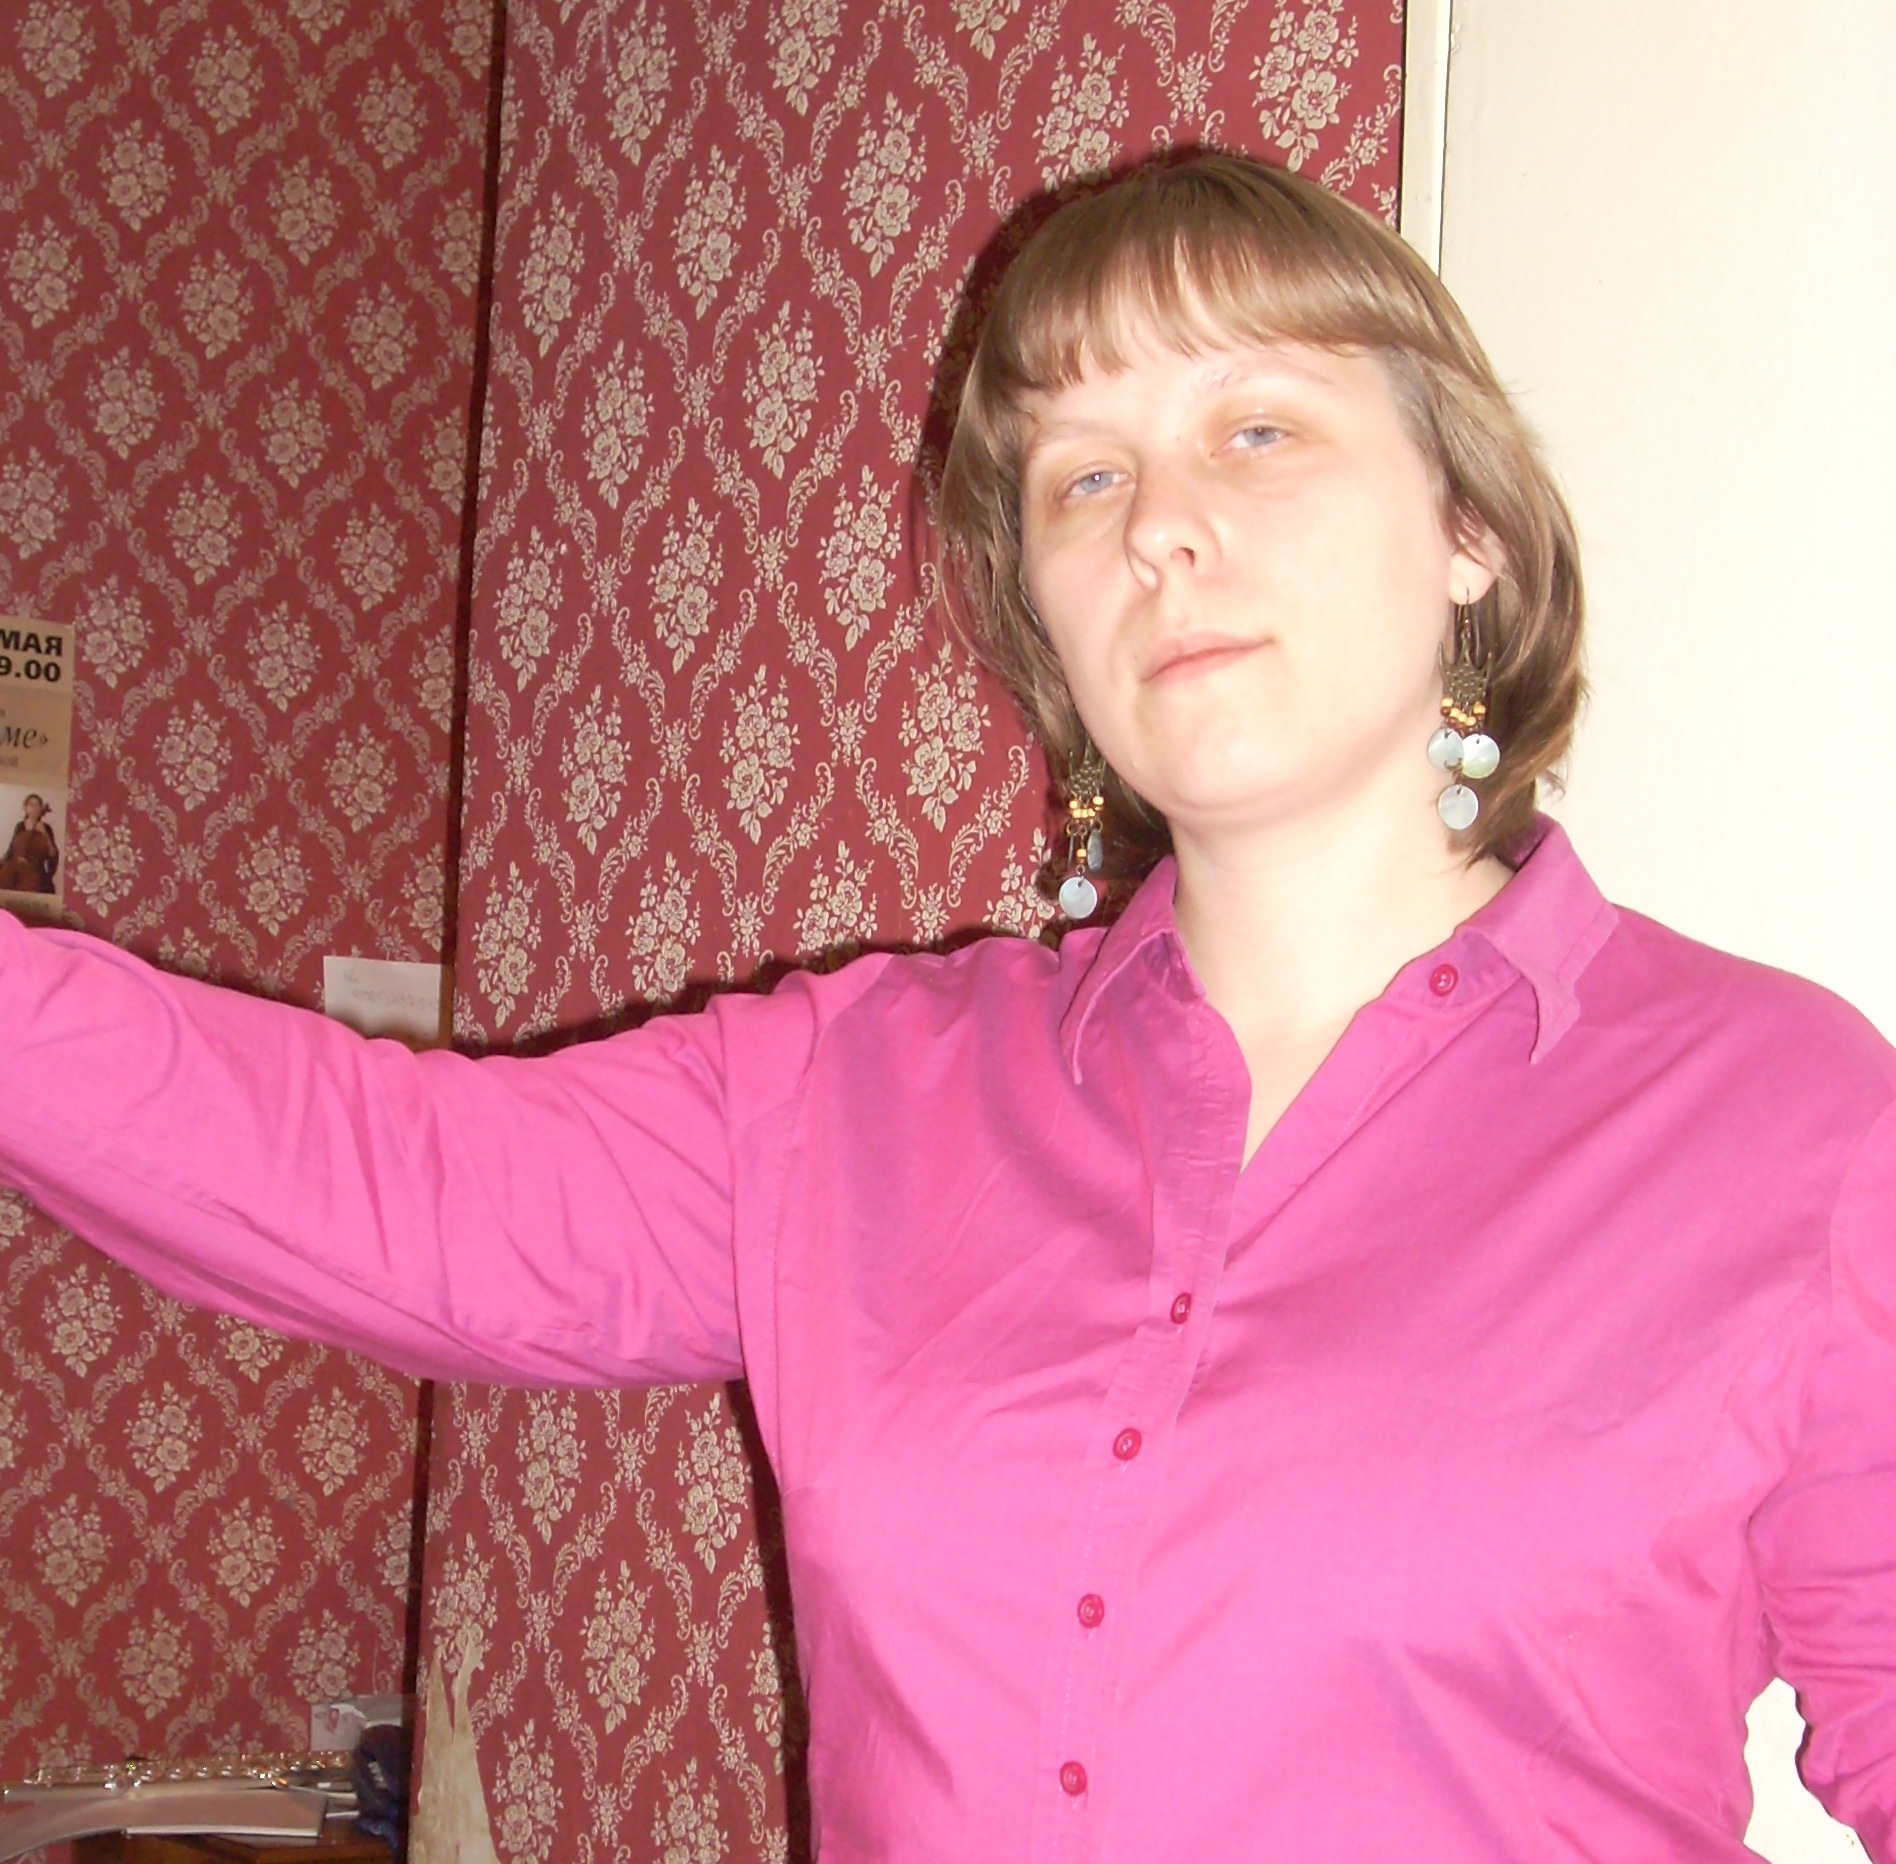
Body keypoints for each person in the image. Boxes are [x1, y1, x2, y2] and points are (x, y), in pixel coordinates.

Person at [1, 153, 1891, 1862]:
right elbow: (364, 1174)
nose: (1160, 528)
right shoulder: (856, 1091)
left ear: (1468, 523)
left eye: (1257, 430)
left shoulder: (1790, 1124)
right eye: (1086, 476)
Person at [0, 793, 58, 895]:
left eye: (37, 805)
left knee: (35, 885)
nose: (34, 808)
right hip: (15, 867)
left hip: (34, 870)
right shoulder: (20, 826)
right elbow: (12, 848)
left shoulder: (46, 828)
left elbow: (53, 854)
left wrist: (45, 834)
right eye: (31, 805)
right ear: (25, 808)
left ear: (41, 808)